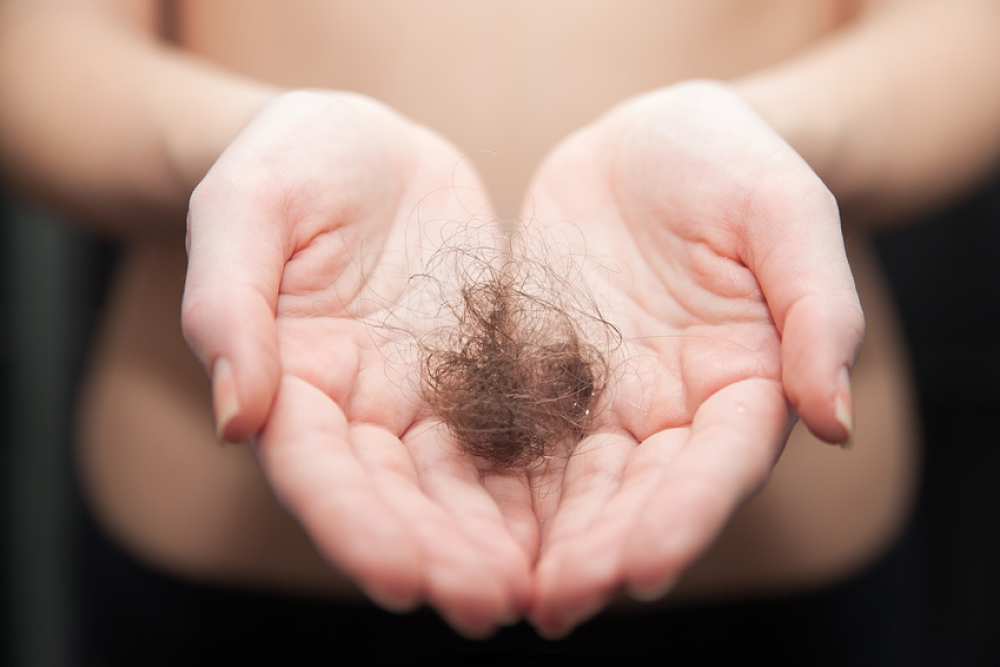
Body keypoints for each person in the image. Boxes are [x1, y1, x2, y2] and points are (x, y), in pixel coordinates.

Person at [1, 0, 998, 660]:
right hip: (222, 578)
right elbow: (35, 52)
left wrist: (778, 140)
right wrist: (244, 153)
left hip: (774, 583)